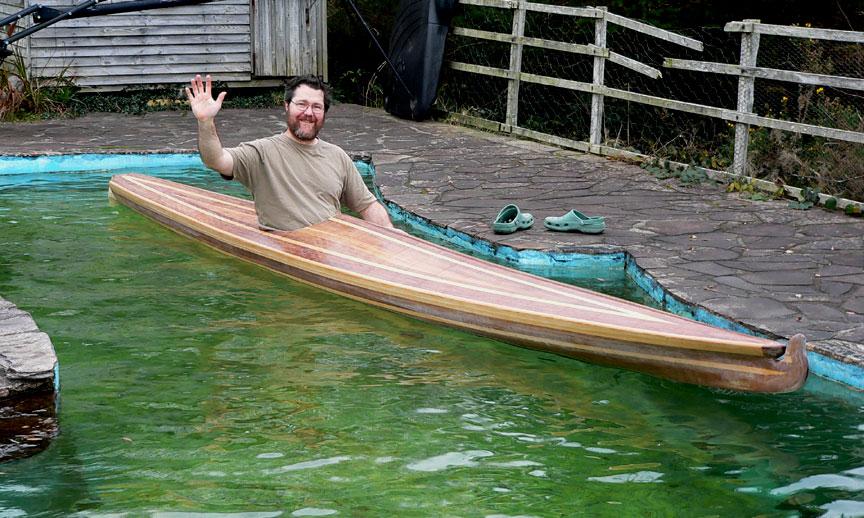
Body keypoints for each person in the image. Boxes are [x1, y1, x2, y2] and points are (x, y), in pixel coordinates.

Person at [185, 74, 394, 231]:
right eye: (301, 104)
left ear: (324, 112)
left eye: (316, 107)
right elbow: (216, 160)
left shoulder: (337, 156)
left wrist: (392, 238)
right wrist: (205, 122)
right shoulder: (262, 152)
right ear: (287, 106)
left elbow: (368, 206)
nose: (309, 113)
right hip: (289, 248)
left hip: (334, 248)